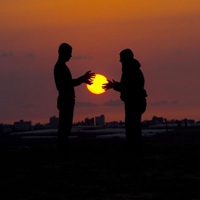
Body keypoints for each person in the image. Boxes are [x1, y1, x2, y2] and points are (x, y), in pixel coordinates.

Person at [102, 48, 147, 157]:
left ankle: (135, 153)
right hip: (134, 102)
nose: (120, 62)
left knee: (133, 130)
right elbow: (127, 87)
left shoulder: (131, 71)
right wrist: (115, 86)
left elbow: (129, 87)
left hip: (134, 103)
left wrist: (114, 86)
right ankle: (135, 152)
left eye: (122, 59)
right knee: (133, 129)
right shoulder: (132, 70)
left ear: (127, 59)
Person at [54, 43, 95, 151]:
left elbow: (68, 83)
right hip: (65, 101)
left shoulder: (61, 67)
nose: (71, 56)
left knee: (65, 128)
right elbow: (66, 84)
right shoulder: (60, 67)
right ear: (63, 53)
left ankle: (62, 150)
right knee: (64, 128)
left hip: (66, 100)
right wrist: (82, 79)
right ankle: (62, 151)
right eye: (69, 53)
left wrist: (82, 79)